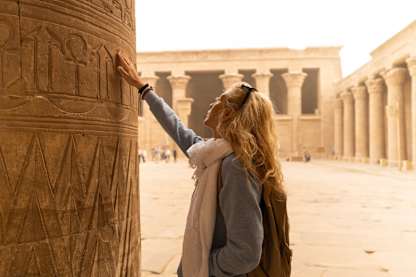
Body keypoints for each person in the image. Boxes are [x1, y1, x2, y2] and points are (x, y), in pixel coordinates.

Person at [117, 52, 287, 277]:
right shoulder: (214, 154)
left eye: (220, 101)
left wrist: (203, 267)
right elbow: (178, 129)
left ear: (230, 115)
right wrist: (144, 90)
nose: (212, 103)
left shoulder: (235, 166)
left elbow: (246, 253)